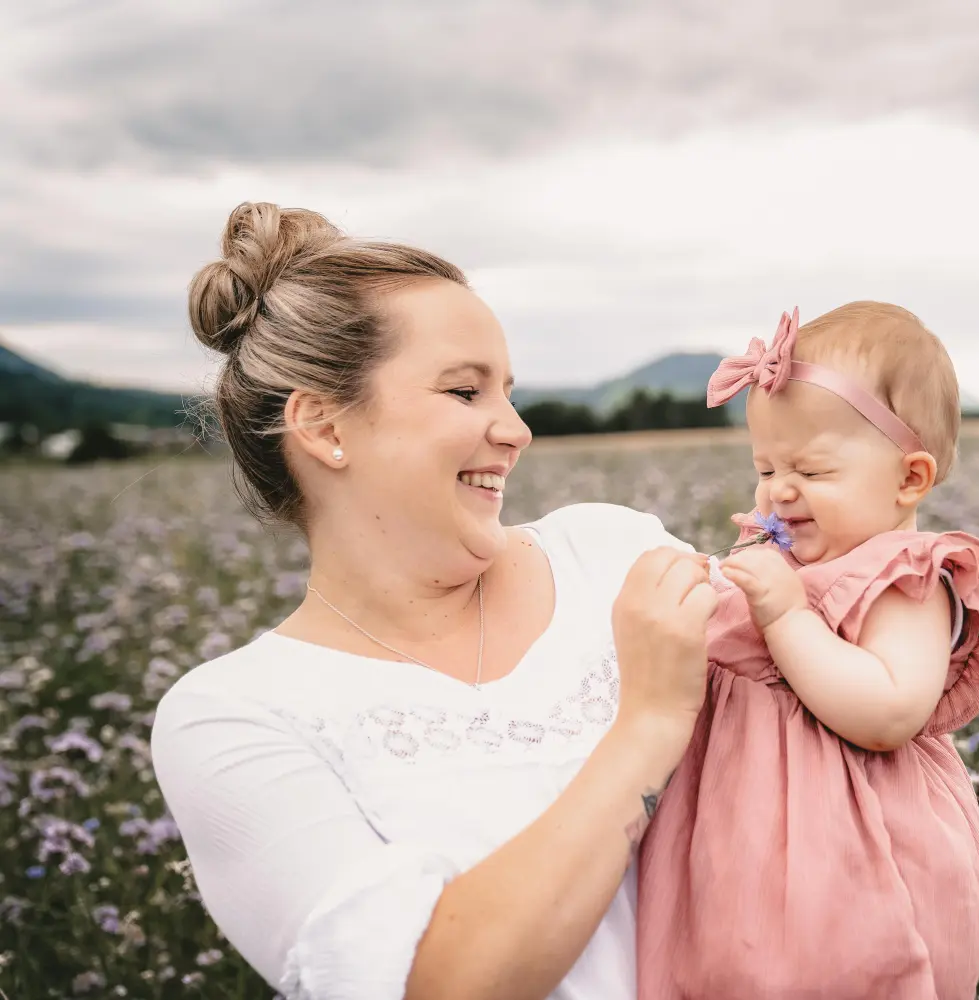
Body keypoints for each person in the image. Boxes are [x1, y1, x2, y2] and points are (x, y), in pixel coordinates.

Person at [149, 201, 716, 1000]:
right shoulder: (233, 718)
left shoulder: (609, 552)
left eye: (508, 393)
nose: (515, 429)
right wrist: (648, 725)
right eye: (465, 392)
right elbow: (426, 982)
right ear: (322, 425)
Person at [636, 303, 979, 999]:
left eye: (813, 473)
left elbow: (887, 712)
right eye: (765, 468)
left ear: (910, 479)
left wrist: (787, 617)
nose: (779, 491)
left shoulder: (905, 581)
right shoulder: (784, 565)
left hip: (851, 850)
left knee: (840, 970)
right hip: (736, 838)